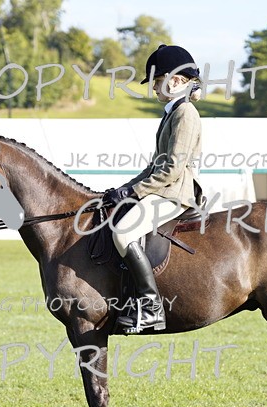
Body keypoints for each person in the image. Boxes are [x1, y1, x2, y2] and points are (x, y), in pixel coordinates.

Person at [104, 44, 203, 334]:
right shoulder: (173, 112)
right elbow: (154, 166)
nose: (155, 89)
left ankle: (150, 306)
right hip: (163, 187)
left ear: (174, 81)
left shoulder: (185, 113)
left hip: (175, 192)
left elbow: (172, 169)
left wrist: (135, 193)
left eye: (158, 82)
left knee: (123, 233)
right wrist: (125, 189)